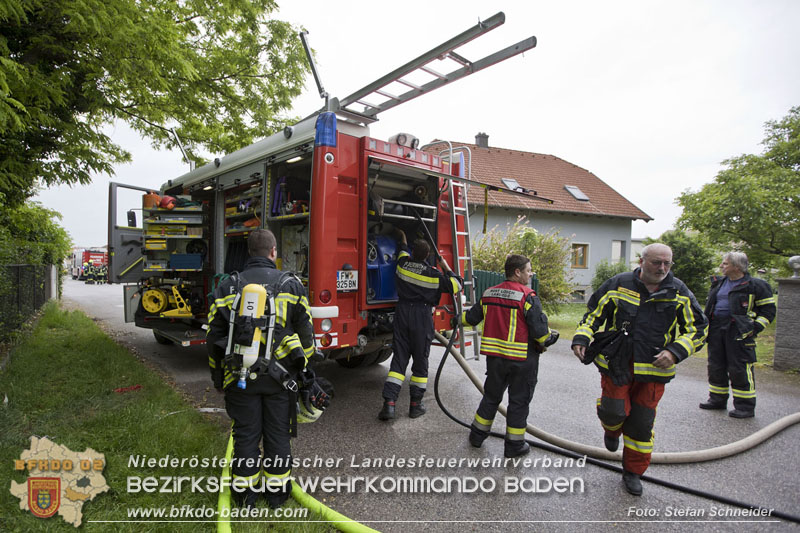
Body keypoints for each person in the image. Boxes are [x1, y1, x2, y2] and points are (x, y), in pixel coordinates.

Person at [571, 243, 707, 496]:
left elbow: (698, 329)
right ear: (642, 261)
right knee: (613, 412)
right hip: (617, 364)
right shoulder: (619, 284)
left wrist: (675, 351)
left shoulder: (678, 291)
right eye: (657, 262)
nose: (663, 268)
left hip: (654, 372)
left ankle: (633, 472)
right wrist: (581, 338)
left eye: (667, 263)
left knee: (641, 426)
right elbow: (593, 315)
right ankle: (611, 431)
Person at [207, 229, 315, 509]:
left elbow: (213, 339)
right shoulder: (292, 285)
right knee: (278, 435)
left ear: (248, 252)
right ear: (274, 252)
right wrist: (302, 372)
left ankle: (245, 498)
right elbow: (307, 338)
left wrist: (218, 378)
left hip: (239, 377)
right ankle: (277, 496)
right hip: (281, 380)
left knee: (245, 435)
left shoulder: (226, 287)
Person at [457, 254, 556, 458]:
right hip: (522, 361)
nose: (530, 274)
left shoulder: (489, 293)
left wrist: (456, 320)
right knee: (518, 402)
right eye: (528, 270)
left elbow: (472, 317)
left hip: (495, 360)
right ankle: (514, 446)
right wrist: (548, 339)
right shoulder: (528, 296)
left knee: (491, 397)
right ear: (517, 272)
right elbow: (539, 332)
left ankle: (477, 435)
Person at [378, 231, 461, 420]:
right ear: (428, 256)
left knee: (399, 358)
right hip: (422, 316)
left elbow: (401, 253)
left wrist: (404, 240)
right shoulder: (434, 274)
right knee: (420, 361)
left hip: (403, 312)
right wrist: (446, 267)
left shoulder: (403, 265)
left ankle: (389, 405)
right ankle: (415, 405)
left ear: (412, 252)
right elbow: (457, 285)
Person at [699, 252, 776, 418]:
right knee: (716, 366)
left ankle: (745, 407)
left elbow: (769, 311)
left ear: (737, 266)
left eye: (725, 264)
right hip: (716, 330)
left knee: (739, 368)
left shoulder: (756, 285)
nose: (721, 266)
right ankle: (717, 400)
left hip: (739, 332)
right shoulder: (718, 283)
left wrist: (753, 328)